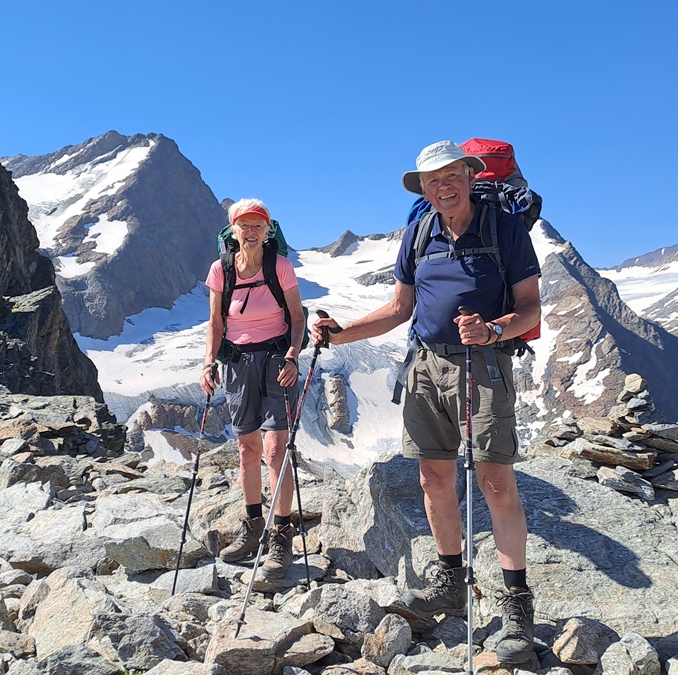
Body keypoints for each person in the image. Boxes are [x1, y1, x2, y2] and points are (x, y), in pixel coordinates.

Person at [311, 141, 541, 663]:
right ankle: (449, 578)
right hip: (425, 365)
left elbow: (529, 309)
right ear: (424, 189)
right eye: (432, 181)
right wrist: (339, 333)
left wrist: (491, 329)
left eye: (451, 176)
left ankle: (517, 602)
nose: (443, 187)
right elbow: (399, 308)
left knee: (495, 480)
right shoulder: (420, 232)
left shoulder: (503, 229)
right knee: (433, 478)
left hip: (482, 364)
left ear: (469, 175)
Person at [200, 198, 306, 581]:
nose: (250, 231)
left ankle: (280, 535)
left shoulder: (280, 267)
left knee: (276, 448)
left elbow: (297, 317)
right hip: (238, 362)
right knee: (248, 447)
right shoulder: (221, 270)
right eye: (243, 225)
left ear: (267, 230)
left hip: (278, 360)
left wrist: (293, 354)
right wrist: (209, 362)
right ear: (232, 231)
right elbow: (215, 322)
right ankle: (253, 525)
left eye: (257, 225)